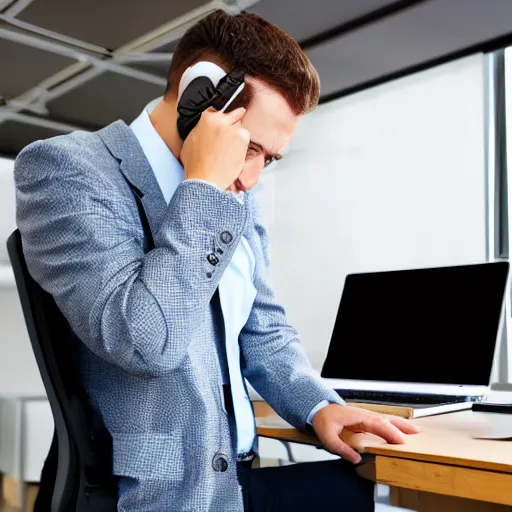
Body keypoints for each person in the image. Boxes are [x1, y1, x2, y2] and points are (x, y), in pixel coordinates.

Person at [14, 9, 420, 512]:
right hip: (159, 495)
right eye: (248, 147)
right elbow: (143, 341)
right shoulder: (69, 171)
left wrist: (319, 406)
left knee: (374, 494)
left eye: (267, 159)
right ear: (197, 98)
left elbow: (265, 331)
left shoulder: (238, 197)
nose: (251, 180)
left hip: (237, 479)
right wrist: (202, 187)